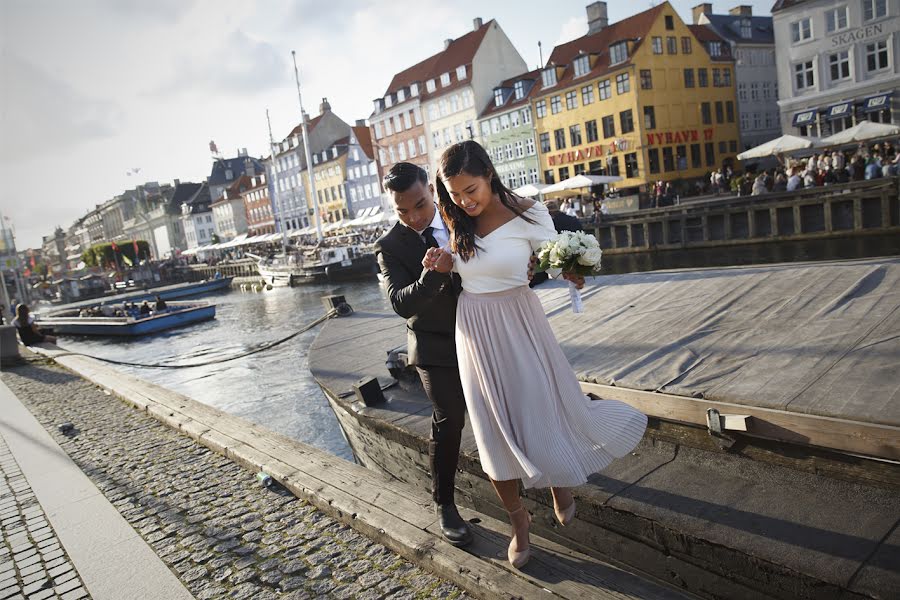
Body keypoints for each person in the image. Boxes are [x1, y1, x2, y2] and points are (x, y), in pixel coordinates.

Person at [423, 141, 647, 568]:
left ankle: (558, 479)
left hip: (519, 321)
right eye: (455, 195)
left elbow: (554, 257)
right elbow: (463, 263)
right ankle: (519, 521)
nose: (465, 201)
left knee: (538, 408)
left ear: (488, 172)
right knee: (491, 432)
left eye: (471, 190)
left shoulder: (529, 212)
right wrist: (443, 262)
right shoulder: (454, 217)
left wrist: (572, 272)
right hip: (474, 329)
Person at [373, 162, 473, 548]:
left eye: (418, 205)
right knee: (449, 420)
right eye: (401, 211)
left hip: (482, 331)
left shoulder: (459, 217)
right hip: (434, 344)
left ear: (430, 190)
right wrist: (435, 275)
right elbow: (400, 303)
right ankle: (445, 504)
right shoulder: (389, 245)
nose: (413, 217)